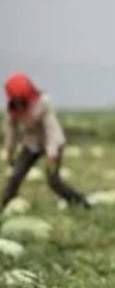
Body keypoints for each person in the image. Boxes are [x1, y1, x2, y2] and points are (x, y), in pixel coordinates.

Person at [2, 73, 90, 209]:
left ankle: (81, 203)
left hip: (52, 143)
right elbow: (11, 133)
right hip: (31, 144)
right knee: (15, 176)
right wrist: (10, 152)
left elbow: (51, 131)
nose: (19, 105)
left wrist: (52, 155)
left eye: (22, 101)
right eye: (16, 101)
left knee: (53, 180)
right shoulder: (11, 111)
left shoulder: (43, 103)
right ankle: (3, 206)